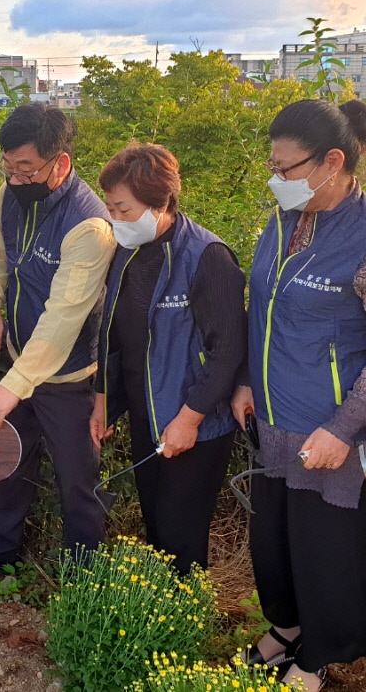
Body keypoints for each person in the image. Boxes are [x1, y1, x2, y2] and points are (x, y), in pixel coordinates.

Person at [230, 99, 366, 692]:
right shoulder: (286, 218)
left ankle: (327, 651)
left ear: (332, 161)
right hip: (275, 413)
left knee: (326, 548)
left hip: (331, 424)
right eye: (273, 165)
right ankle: (287, 627)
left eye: (286, 168)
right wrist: (244, 380)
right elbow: (262, 306)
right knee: (276, 541)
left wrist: (343, 428)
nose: (275, 178)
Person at [0, 103, 116, 573]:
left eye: (26, 169)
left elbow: (63, 319)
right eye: (9, 167)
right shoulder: (11, 195)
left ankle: (84, 575)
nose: (15, 179)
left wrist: (10, 388)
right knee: (8, 461)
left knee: (78, 479)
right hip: (18, 360)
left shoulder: (90, 226)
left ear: (59, 163)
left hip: (70, 375)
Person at [88, 144, 246, 575]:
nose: (115, 219)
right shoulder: (128, 250)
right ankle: (165, 617)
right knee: (156, 523)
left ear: (160, 202)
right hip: (147, 412)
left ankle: (184, 622)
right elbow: (114, 335)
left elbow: (228, 351)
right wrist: (103, 397)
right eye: (110, 208)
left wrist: (189, 420)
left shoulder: (207, 258)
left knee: (181, 531)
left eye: (123, 209)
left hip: (193, 421)